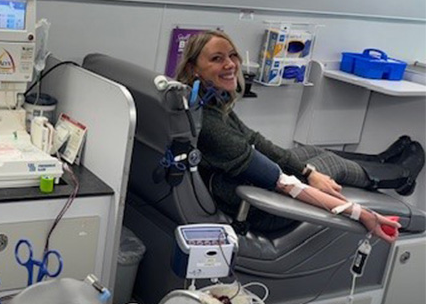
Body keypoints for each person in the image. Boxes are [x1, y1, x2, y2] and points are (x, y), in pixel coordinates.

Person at [176, 30, 422, 243]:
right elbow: (283, 183)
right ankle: (401, 177)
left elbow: (253, 139)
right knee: (329, 165)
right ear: (193, 68)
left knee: (315, 153)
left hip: (239, 182)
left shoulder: (201, 103)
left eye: (232, 55)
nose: (230, 64)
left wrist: (307, 171)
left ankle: (380, 162)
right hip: (259, 207)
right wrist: (362, 213)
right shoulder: (209, 125)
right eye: (217, 59)